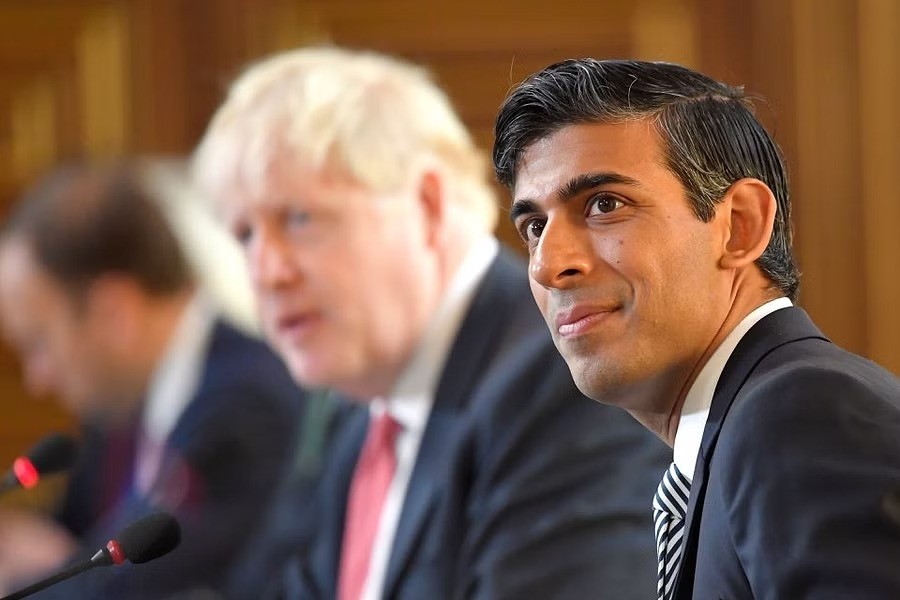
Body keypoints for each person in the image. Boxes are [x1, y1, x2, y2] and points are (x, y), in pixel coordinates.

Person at [192, 47, 669, 600]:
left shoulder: (565, 379)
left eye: (299, 219)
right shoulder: (359, 410)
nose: (266, 273)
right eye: (245, 235)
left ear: (428, 204)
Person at [492, 58, 900, 600]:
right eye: (534, 227)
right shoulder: (744, 427)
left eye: (604, 205)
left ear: (740, 226)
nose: (547, 265)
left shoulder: (799, 412)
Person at [0, 162, 303, 598]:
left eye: (40, 343)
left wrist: (40, 575)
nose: (37, 379)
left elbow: (132, 587)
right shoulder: (118, 404)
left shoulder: (245, 407)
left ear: (113, 312)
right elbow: (72, 533)